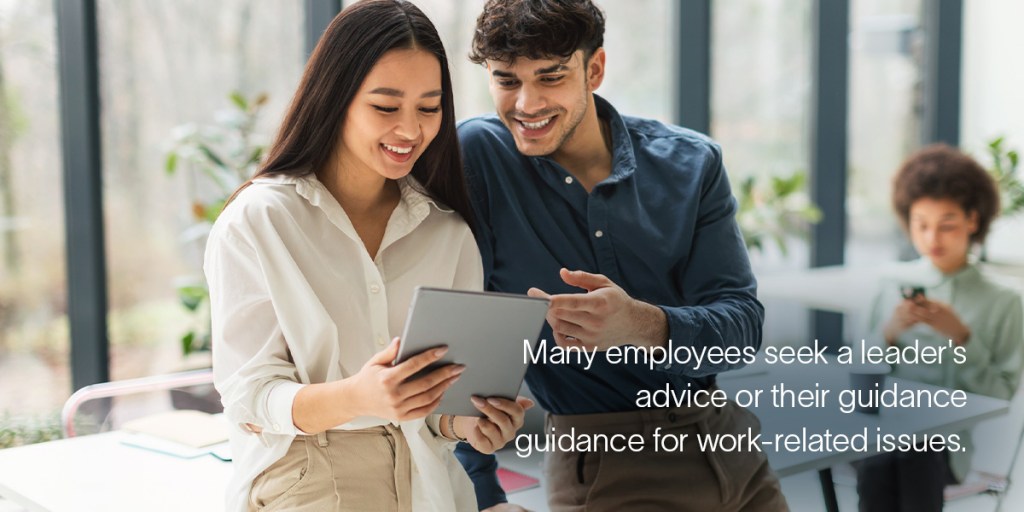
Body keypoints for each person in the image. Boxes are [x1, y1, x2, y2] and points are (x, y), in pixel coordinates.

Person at [454, 1, 788, 510]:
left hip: (732, 447)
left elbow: (742, 328)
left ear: (595, 70)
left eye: (550, 77)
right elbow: (456, 327)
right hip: (606, 463)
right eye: (506, 80)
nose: (526, 103)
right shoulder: (479, 157)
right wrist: (484, 496)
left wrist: (643, 324)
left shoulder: (692, 162)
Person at [204, 1, 532, 511]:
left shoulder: (447, 233)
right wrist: (357, 396)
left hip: (429, 482)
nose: (410, 130)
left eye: (429, 108)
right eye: (385, 106)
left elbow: (433, 408)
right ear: (336, 99)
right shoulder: (262, 220)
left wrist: (467, 422)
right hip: (311, 474)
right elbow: (248, 399)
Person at [856, 144, 1024, 512]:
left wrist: (963, 339)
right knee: (883, 455)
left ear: (973, 221)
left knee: (912, 450)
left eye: (947, 224)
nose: (933, 239)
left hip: (944, 448)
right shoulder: (889, 284)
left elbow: (999, 398)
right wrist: (887, 334)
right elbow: (858, 383)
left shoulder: (1004, 301)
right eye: (922, 225)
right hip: (879, 436)